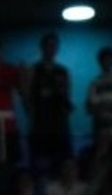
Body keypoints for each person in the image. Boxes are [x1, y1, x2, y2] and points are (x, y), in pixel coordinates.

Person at [26, 32, 73, 171]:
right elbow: (28, 98)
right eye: (48, 45)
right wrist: (32, 118)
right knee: (41, 166)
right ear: (42, 47)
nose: (51, 49)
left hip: (60, 125)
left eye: (54, 46)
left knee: (63, 164)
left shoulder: (63, 71)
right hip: (41, 125)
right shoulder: (34, 70)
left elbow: (67, 95)